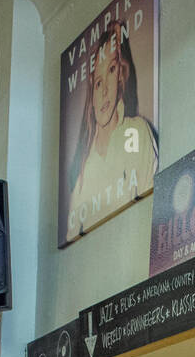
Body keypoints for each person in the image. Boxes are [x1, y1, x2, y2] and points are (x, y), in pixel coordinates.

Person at [65, 21, 159, 242]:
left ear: (121, 76)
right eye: (98, 82)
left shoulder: (136, 131)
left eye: (111, 70)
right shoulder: (83, 171)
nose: (105, 90)